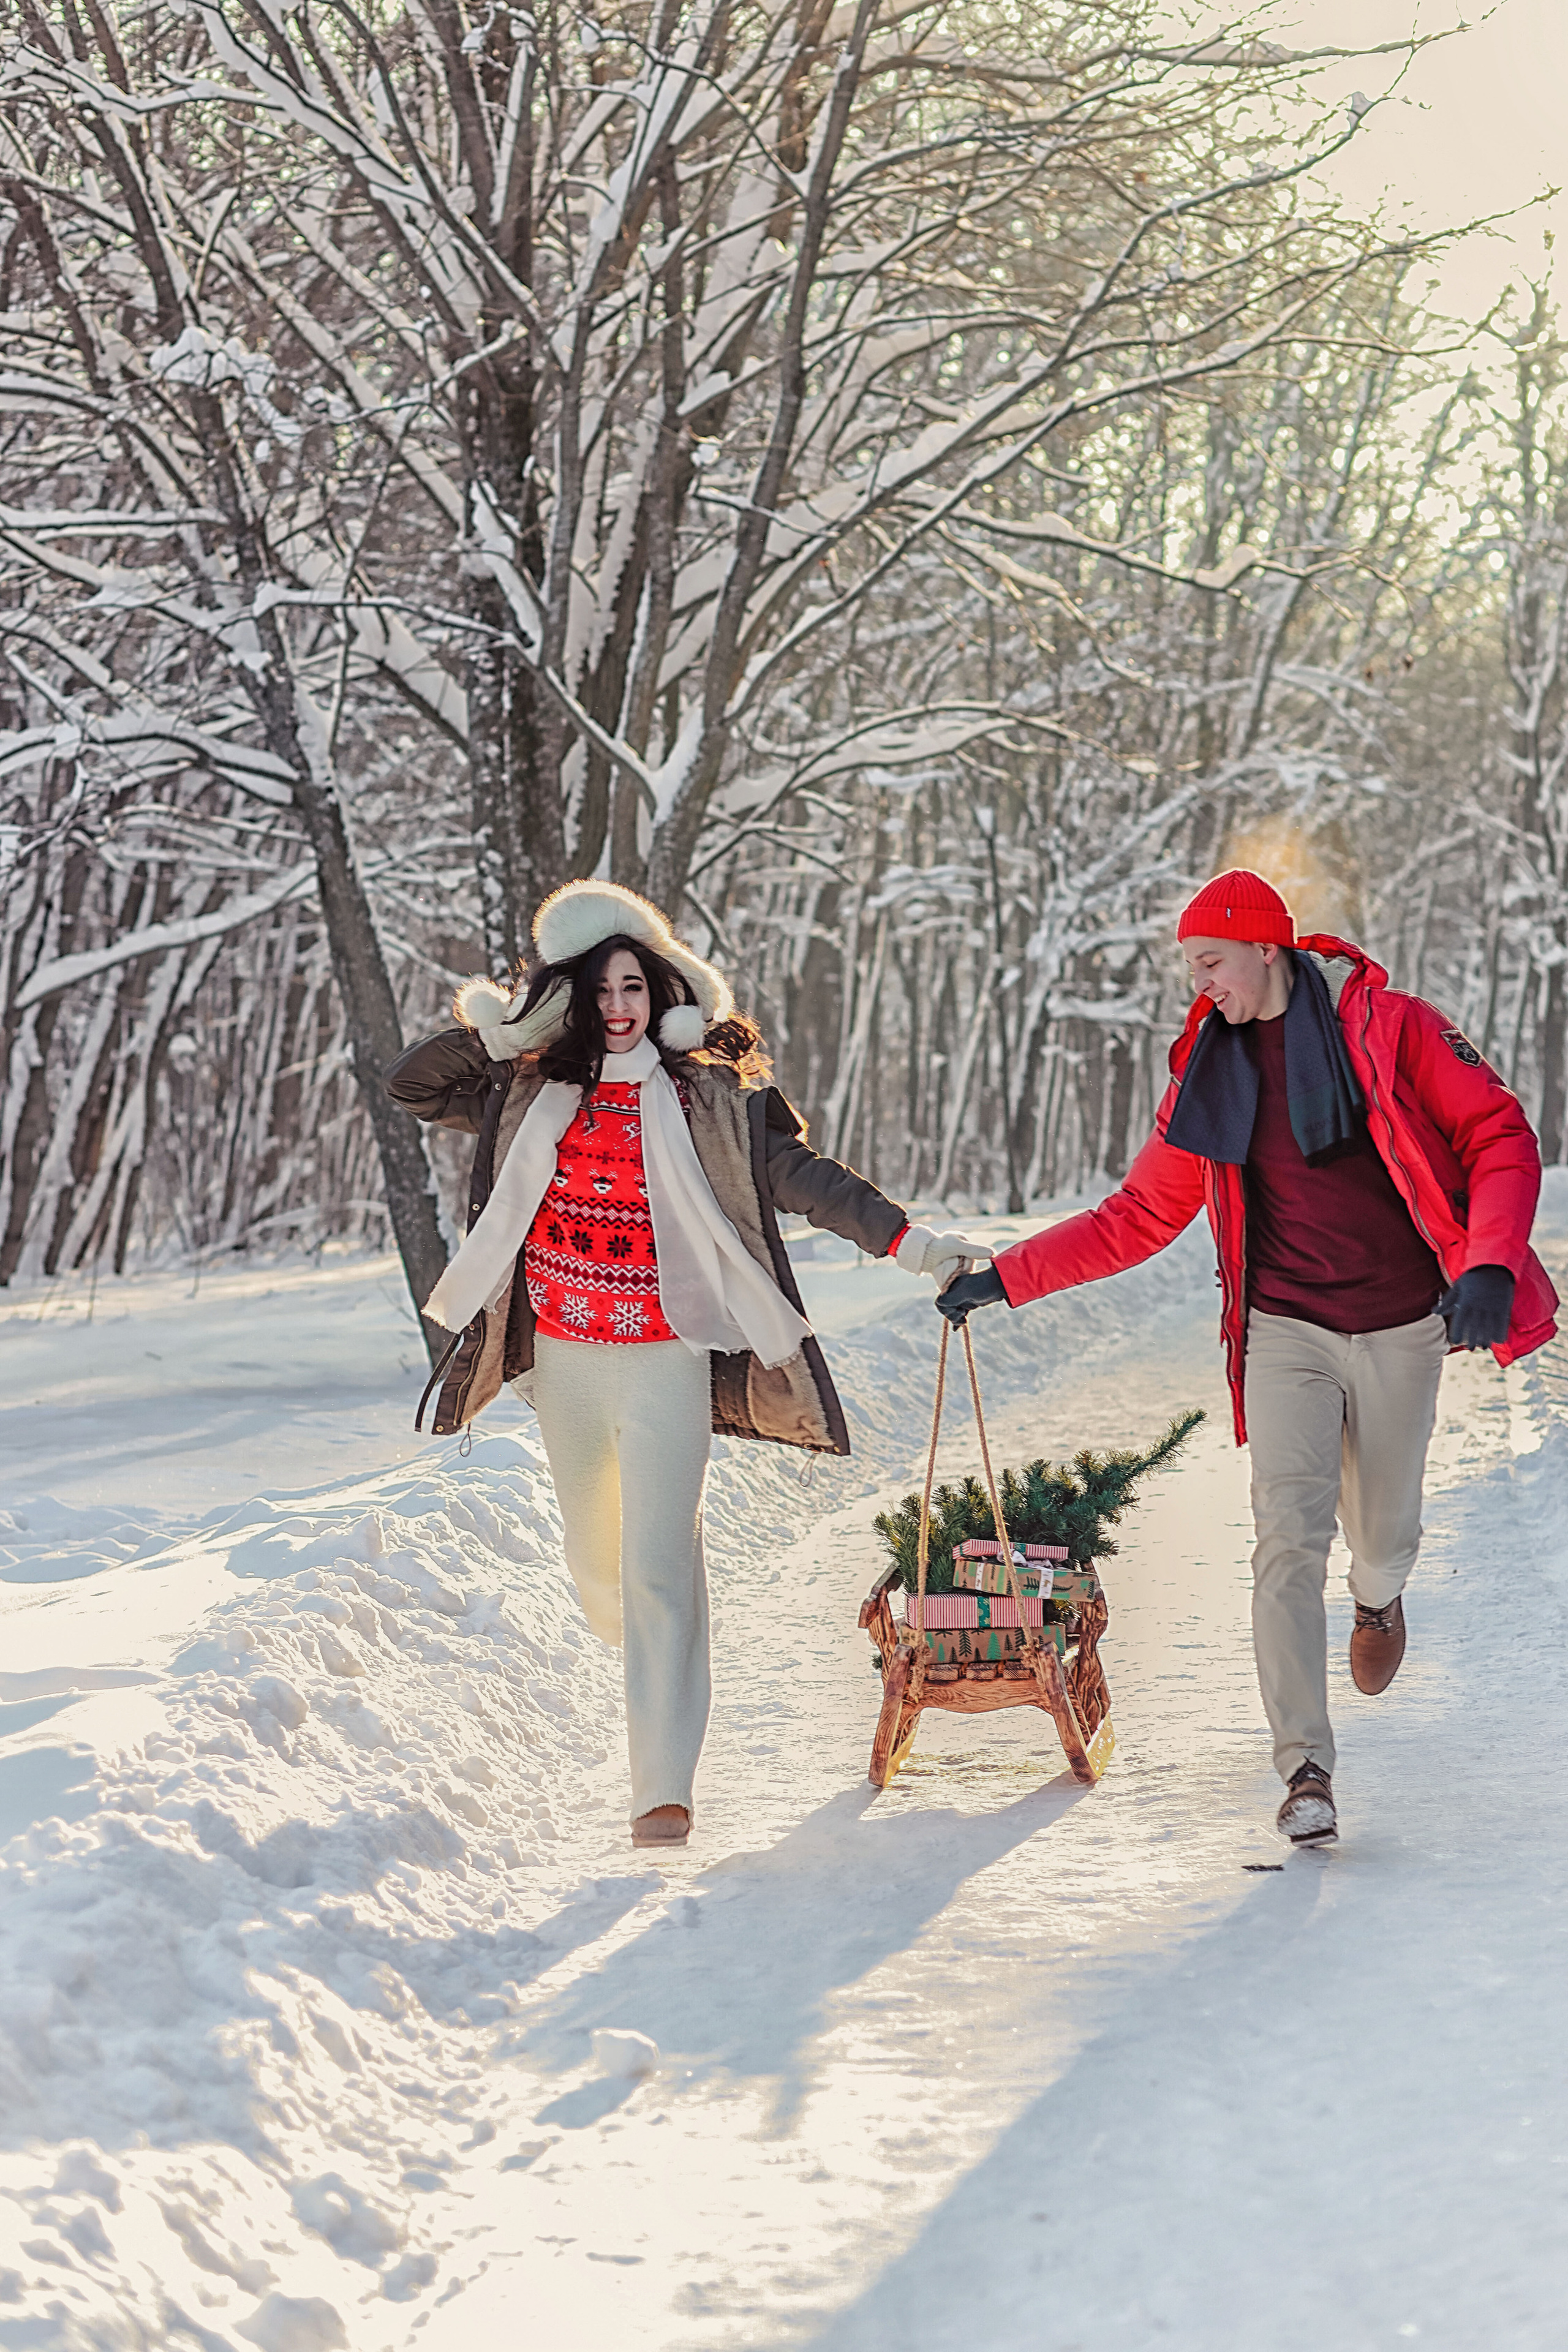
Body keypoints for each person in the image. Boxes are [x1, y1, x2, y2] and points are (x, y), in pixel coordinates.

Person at [938, 869, 1558, 1845]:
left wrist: (1485, 1267)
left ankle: (1380, 1597)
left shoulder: (1388, 1027)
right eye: (1191, 966)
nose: (1202, 984)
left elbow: (1499, 1135)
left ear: (1268, 947)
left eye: (1212, 962)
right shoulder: (1209, 1069)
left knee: (1384, 1532)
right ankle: (1304, 1767)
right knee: (1284, 1539)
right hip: (1285, 1329)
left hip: (1403, 1320)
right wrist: (1007, 1278)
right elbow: (1139, 1214)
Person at [386, 880, 986, 1850]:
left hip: (666, 1357)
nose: (618, 1007)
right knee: (599, 1567)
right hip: (568, 1366)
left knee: (660, 1569)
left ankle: (662, 1789)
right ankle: (646, 1644)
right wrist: (512, 1030)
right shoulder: (529, 1087)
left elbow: (809, 1181)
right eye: (598, 992)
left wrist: (916, 1246)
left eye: (633, 987)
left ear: (663, 995)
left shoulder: (708, 1101)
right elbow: (412, 1085)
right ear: (572, 1003)